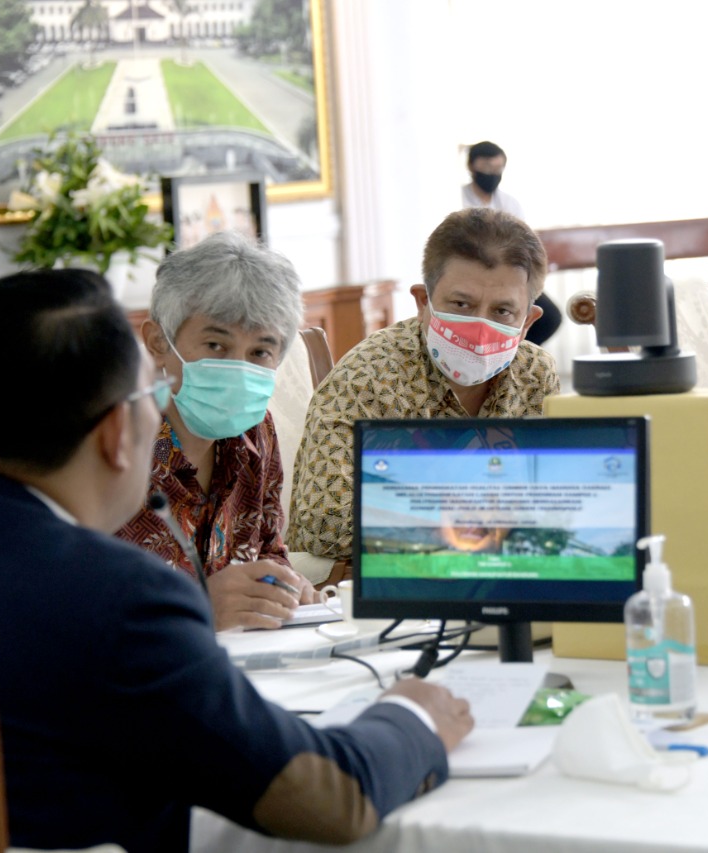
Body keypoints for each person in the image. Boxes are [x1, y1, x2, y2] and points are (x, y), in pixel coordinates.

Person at [0, 270, 473, 852]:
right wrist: (413, 714)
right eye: (149, 399)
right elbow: (329, 798)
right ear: (115, 433)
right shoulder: (120, 597)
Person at [288, 208, 560, 562]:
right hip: (396, 586)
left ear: (527, 322)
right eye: (462, 304)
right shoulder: (368, 375)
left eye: (502, 312)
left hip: (512, 575)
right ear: (422, 302)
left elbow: (559, 499)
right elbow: (323, 525)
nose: (479, 327)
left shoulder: (535, 374)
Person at [115, 232, 317, 631]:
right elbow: (77, 605)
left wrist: (285, 585)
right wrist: (198, 605)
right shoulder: (113, 448)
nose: (238, 368)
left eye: (260, 352)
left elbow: (267, 549)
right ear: (158, 342)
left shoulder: (256, 432)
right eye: (216, 345)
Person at [461, 140, 562, 346]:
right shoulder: (458, 198)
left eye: (498, 168)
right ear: (472, 166)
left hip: (509, 274)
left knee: (549, 317)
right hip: (472, 275)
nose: (492, 174)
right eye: (486, 168)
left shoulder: (509, 202)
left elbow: (523, 242)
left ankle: (516, 358)